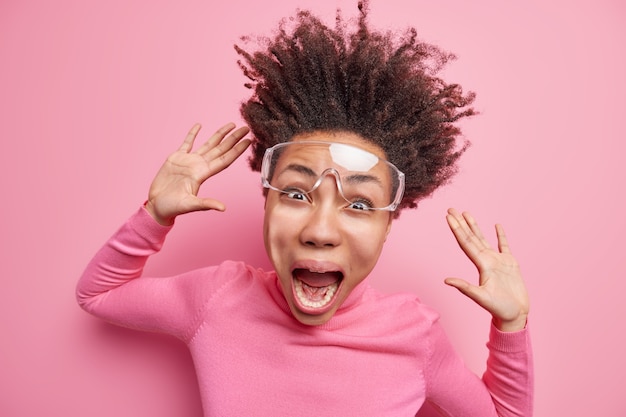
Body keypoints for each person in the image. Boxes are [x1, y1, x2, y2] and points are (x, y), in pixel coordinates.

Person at [77, 1, 533, 416]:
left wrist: (511, 324)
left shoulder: (414, 334)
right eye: (296, 194)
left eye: (358, 203)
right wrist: (154, 215)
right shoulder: (218, 298)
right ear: (268, 201)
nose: (320, 229)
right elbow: (96, 295)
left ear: (388, 224)